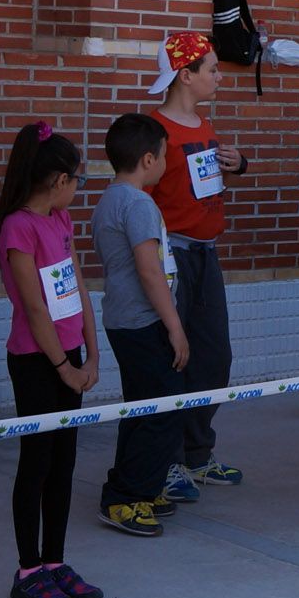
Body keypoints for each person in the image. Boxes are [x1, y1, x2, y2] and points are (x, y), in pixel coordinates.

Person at [0, 121, 103, 598]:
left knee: (63, 462)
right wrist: (64, 367)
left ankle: (55, 561)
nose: (77, 188)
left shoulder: (61, 220)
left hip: (70, 357)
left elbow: (76, 286)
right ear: (56, 180)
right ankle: (28, 568)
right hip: (37, 362)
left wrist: (92, 354)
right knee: (36, 462)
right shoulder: (18, 227)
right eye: (76, 179)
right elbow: (35, 309)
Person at [145, 32, 244, 496]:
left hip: (207, 253)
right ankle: (164, 464)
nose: (219, 77)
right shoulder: (155, 133)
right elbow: (138, 199)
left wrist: (236, 164)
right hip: (175, 257)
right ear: (186, 75)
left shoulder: (203, 123)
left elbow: (204, 180)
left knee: (214, 357)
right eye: (212, 70)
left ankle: (196, 455)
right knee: (173, 358)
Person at [91, 113, 189, 538]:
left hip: (124, 320)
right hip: (143, 321)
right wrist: (175, 326)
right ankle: (125, 498)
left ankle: (139, 485)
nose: (167, 162)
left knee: (141, 407)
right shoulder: (138, 204)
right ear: (148, 159)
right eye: (165, 155)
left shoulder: (111, 198)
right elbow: (149, 270)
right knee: (162, 411)